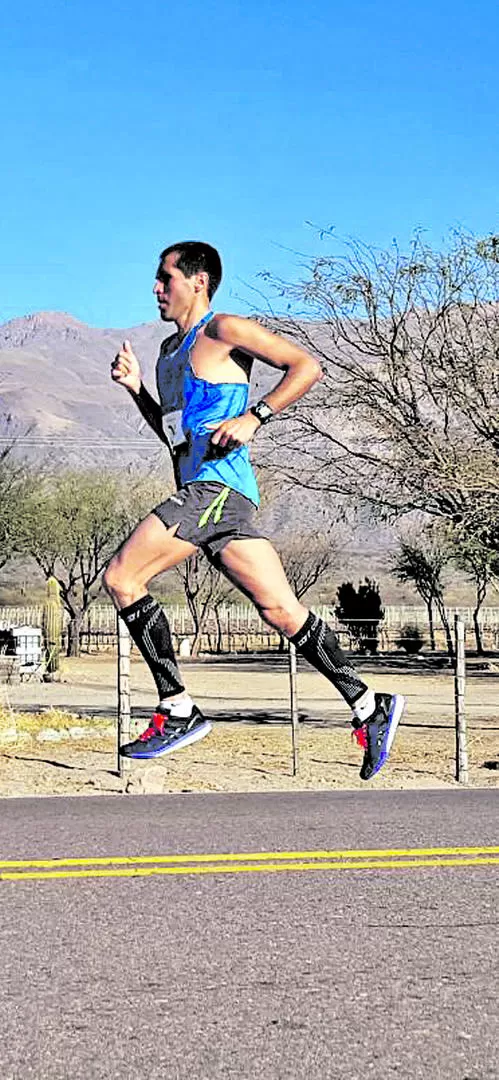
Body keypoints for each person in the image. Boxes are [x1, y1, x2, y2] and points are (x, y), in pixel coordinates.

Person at [104, 241, 404, 780]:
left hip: (216, 490)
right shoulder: (169, 356)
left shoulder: (223, 330)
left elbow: (304, 366)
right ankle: (368, 705)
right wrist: (137, 391)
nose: (156, 288)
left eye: (164, 277)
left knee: (123, 578)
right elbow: (174, 437)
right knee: (282, 611)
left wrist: (256, 416)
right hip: (212, 495)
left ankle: (177, 708)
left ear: (198, 281)